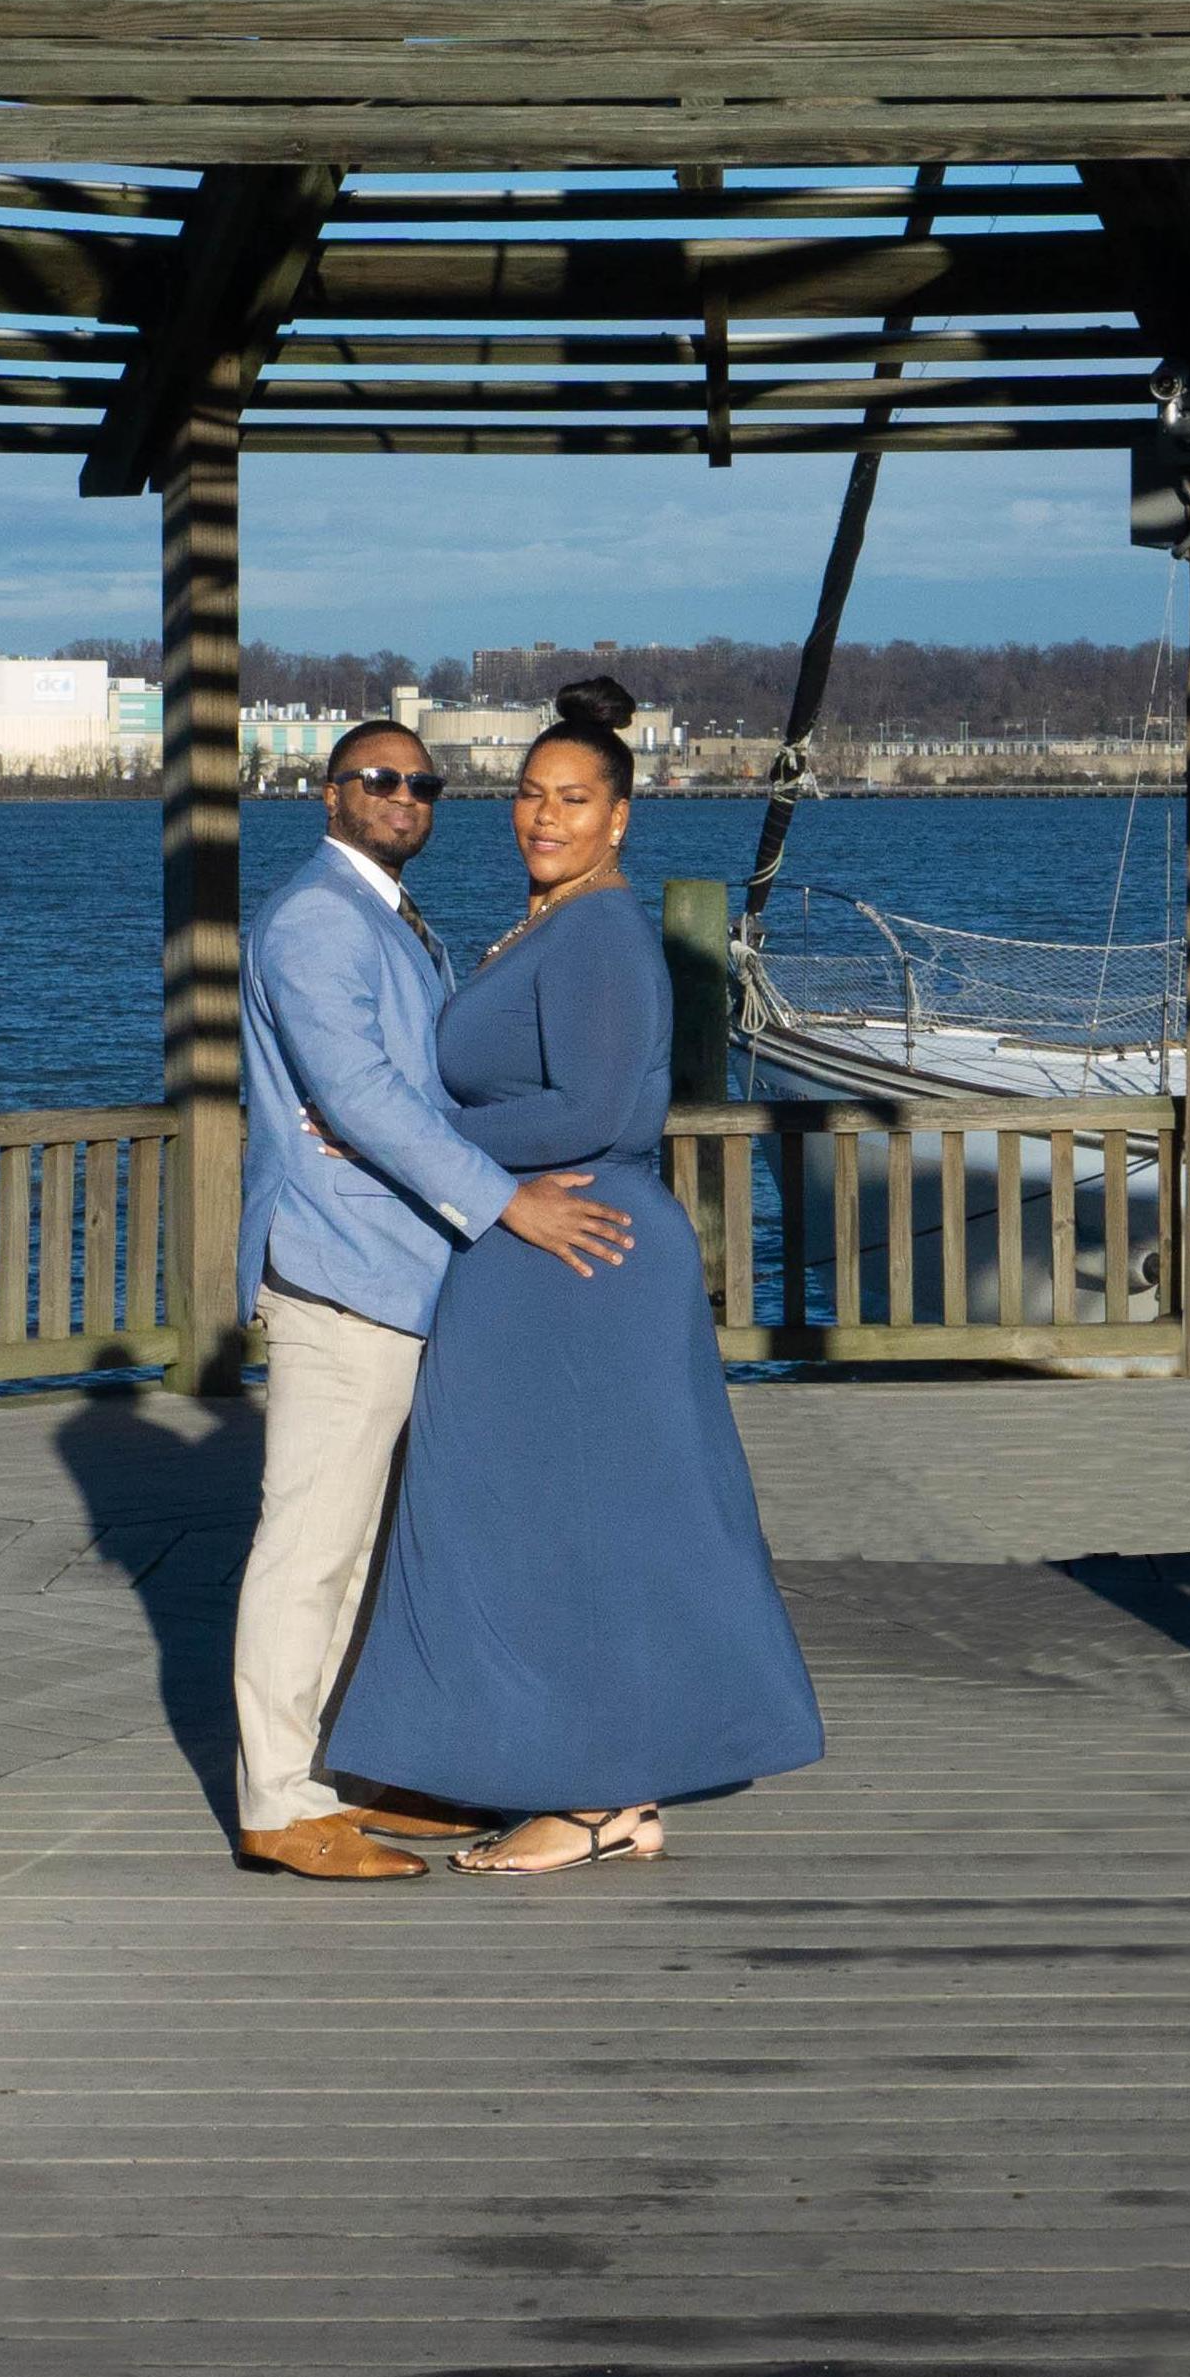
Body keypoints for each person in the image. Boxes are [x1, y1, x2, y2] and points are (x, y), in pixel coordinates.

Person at [327, 678, 824, 1873]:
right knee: (531, 1524)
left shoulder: (600, 930)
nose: (543, 817)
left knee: (587, 1526)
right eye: (528, 795)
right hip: (539, 1252)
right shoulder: (550, 922)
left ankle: (598, 1797)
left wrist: (405, 1138)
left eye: (573, 799)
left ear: (619, 818)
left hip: (582, 1256)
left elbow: (603, 1107)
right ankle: (546, 1771)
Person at [227, 716, 638, 1881]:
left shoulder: (397, 920)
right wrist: (507, 1200)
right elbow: (357, 1093)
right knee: (310, 1546)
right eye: (376, 778)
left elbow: (416, 1092)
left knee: (379, 1547)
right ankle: (278, 1796)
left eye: (421, 781)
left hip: (410, 1271)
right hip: (343, 1270)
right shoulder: (315, 917)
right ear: (327, 793)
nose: (402, 793)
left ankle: (355, 1768)